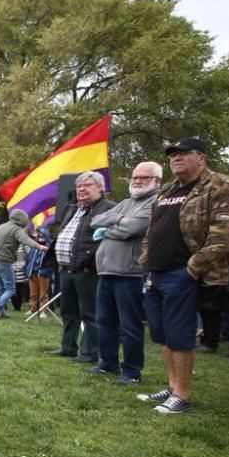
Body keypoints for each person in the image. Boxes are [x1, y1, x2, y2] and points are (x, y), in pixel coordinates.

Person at [136, 137, 229, 413]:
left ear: (201, 157)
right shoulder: (168, 189)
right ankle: (171, 387)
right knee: (163, 334)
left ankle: (182, 394)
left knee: (180, 335)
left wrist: (192, 269)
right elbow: (152, 229)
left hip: (183, 273)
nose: (176, 158)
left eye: (184, 153)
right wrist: (146, 258)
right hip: (156, 271)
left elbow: (224, 234)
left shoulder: (217, 184)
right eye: (173, 155)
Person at [87, 161, 160, 384]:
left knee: (130, 325)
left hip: (130, 273)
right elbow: (95, 221)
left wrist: (109, 227)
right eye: (135, 177)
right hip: (107, 272)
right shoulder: (126, 203)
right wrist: (117, 221)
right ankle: (108, 363)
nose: (137, 181)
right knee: (104, 321)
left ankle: (131, 370)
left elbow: (133, 229)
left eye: (143, 178)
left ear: (157, 181)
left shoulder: (155, 203)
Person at [47, 171, 116, 361]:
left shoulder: (108, 208)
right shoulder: (72, 208)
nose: (82, 189)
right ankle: (68, 347)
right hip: (66, 268)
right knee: (68, 312)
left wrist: (90, 264)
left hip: (87, 270)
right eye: (79, 186)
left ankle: (89, 352)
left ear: (101, 188)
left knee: (89, 313)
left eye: (87, 185)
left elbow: (105, 240)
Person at [0, 210, 47, 318]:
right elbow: (26, 240)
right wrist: (39, 246)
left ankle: (0, 312)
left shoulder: (2, 226)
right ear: (21, 219)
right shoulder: (16, 229)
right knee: (11, 289)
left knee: (1, 287)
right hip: (5, 262)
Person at [25, 227, 52, 316]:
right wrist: (28, 269)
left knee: (43, 293)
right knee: (33, 293)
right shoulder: (34, 247)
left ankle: (44, 310)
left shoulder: (49, 248)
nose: (41, 238)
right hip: (33, 273)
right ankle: (33, 309)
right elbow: (29, 259)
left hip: (43, 274)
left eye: (43, 236)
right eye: (39, 236)